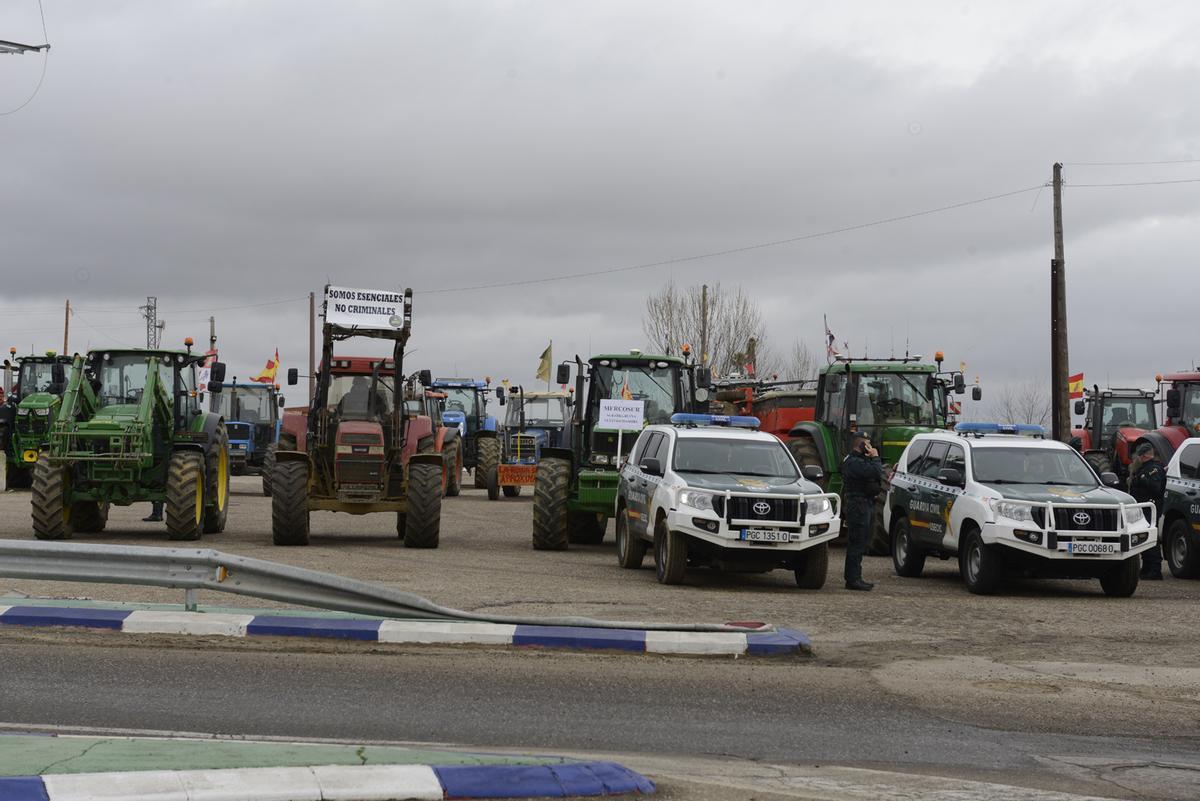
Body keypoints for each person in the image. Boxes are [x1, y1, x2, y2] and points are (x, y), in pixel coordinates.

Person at [842, 431, 884, 591]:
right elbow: (876, 472)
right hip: (858, 504)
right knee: (857, 543)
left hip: (863, 503)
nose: (871, 446)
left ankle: (854, 577)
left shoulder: (859, 460)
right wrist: (875, 456)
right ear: (861, 445)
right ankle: (853, 579)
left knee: (860, 541)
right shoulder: (853, 462)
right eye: (867, 443)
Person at [1128, 442, 1166, 580]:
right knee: (1143, 537)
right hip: (1142, 508)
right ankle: (1147, 567)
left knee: (1151, 538)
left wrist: (1143, 479)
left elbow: (1155, 488)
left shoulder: (1153, 469)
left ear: (1143, 456)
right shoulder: (1143, 469)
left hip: (1151, 508)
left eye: (1138, 456)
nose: (1135, 459)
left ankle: (1155, 570)